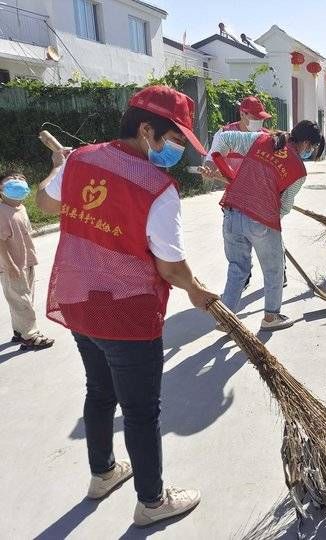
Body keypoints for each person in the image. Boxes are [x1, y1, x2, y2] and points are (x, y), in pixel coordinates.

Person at [35, 85, 218, 527]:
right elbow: (170, 266)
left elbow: (43, 202)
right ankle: (152, 502)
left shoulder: (82, 159)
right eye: (174, 141)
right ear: (146, 130)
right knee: (140, 411)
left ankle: (102, 474)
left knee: (99, 391)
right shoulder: (158, 187)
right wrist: (196, 290)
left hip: (80, 301)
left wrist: (59, 168)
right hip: (128, 313)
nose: (176, 152)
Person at [206, 120, 324, 332]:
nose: (311, 151)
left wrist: (213, 161)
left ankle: (226, 318)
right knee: (274, 269)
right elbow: (285, 206)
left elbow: (223, 138)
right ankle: (271, 317)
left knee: (237, 268)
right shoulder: (298, 171)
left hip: (232, 213)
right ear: (306, 143)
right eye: (313, 148)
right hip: (261, 221)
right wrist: (270, 229)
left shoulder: (259, 139)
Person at [0, 172, 54, 350]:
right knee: (21, 301)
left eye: (22, 179)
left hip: (26, 262)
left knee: (23, 299)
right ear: (1, 188)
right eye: (12, 180)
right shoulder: (2, 211)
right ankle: (30, 336)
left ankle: (19, 331)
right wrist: (10, 265)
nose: (18, 182)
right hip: (12, 266)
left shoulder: (20, 208)